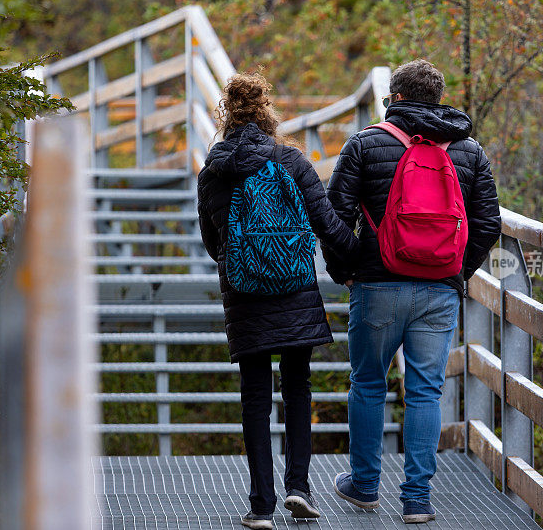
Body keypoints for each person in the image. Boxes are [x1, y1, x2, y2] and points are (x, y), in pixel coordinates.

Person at [324, 59, 502, 524]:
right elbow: (488, 223)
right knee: (425, 393)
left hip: (377, 284)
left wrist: (345, 270)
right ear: (437, 98)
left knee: (367, 383)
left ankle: (364, 486)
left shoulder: (365, 143)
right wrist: (456, 271)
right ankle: (417, 500)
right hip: (438, 290)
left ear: (396, 98)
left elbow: (335, 216)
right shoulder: (469, 150)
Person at [197, 73, 359, 530]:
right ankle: (299, 488)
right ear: (268, 113)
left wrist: (244, 260)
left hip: (245, 295)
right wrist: (361, 262)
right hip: (294, 291)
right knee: (297, 388)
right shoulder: (291, 161)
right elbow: (329, 227)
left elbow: (214, 244)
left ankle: (261, 506)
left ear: (226, 116)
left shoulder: (212, 172)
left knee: (255, 397)